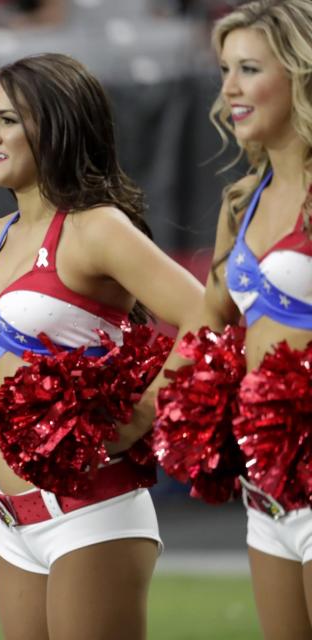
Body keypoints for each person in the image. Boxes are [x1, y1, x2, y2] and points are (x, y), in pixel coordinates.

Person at [0, 53, 204, 639]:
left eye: (6, 121)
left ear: (51, 126)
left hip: (93, 513)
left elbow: (208, 314)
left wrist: (144, 412)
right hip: (13, 521)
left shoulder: (95, 227)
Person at [198, 1, 312, 636]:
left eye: (247, 68)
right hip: (268, 486)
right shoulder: (242, 201)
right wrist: (129, 418)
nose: (229, 89)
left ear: (301, 74)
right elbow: (202, 327)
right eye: (223, 70)